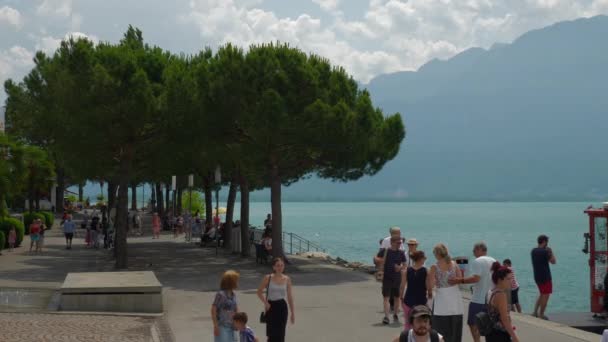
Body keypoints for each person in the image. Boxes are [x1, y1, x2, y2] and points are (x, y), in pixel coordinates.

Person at [448, 242, 495, 342]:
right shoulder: (494, 261)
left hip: (478, 299)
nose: (473, 252)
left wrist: (459, 280)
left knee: (472, 323)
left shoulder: (478, 261)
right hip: (491, 299)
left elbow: (476, 278)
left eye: (474, 250)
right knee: (489, 324)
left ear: (480, 250)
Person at [429, 243, 464, 342]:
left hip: (442, 300)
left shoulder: (434, 267)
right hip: (455, 299)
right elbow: (460, 279)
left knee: (439, 327)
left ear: (437, 254)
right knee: (455, 328)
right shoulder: (454, 264)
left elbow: (431, 285)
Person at [257, 257, 295, 342]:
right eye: (278, 266)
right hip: (271, 307)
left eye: (282, 265)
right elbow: (259, 292)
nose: (280, 267)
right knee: (271, 334)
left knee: (281, 334)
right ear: (273, 267)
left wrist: (292, 313)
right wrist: (266, 303)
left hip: (282, 307)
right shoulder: (268, 278)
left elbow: (290, 297)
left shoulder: (287, 279)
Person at [375, 235, 407, 325]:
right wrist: (380, 265)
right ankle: (386, 316)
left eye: (400, 243)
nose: (400, 244)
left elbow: (405, 265)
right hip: (387, 278)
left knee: (397, 298)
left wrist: (400, 267)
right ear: (392, 242)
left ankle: (395, 314)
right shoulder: (385, 251)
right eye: (398, 243)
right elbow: (376, 258)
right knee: (386, 297)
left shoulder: (401, 253)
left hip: (397, 278)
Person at [486, 262, 520, 342]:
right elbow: (504, 319)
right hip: (500, 334)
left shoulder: (491, 291)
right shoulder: (501, 295)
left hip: (491, 332)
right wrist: (514, 337)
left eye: (511, 278)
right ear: (500, 280)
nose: (511, 281)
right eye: (508, 279)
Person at [400, 251, 430, 331]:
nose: (425, 260)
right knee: (421, 324)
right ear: (420, 259)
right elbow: (428, 286)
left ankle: (406, 338)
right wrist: (430, 293)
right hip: (421, 301)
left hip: (408, 300)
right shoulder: (425, 271)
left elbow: (402, 286)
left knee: (407, 323)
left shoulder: (407, 270)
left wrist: (401, 297)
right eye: (424, 258)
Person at [531, 234, 556, 320]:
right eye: (547, 242)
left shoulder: (533, 251)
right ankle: (541, 314)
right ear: (544, 242)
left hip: (537, 277)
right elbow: (553, 261)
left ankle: (535, 312)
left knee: (541, 294)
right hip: (545, 277)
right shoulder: (546, 252)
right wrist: (551, 251)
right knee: (546, 296)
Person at [211, 270, 240, 342]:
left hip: (232, 326)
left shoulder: (233, 294)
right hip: (222, 326)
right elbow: (213, 309)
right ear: (231, 281)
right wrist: (215, 326)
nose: (237, 282)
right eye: (236, 280)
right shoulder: (221, 294)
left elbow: (236, 309)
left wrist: (238, 322)